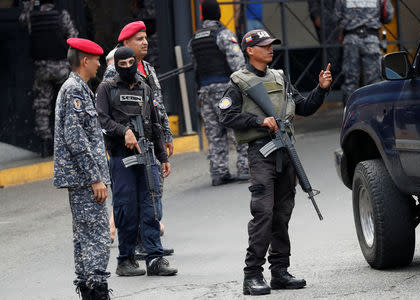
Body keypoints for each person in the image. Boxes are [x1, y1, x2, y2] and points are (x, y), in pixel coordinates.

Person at [219, 29, 333, 296]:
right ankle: (252, 275)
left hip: (285, 152)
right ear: (250, 50)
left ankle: (279, 272)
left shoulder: (279, 77)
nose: (271, 49)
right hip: (261, 153)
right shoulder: (238, 82)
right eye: (264, 45)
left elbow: (303, 107)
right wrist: (258, 121)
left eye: (272, 45)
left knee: (282, 214)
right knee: (263, 214)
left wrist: (322, 89)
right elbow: (226, 116)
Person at [96, 46, 178, 277]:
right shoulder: (106, 89)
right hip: (122, 158)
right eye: (122, 64)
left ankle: (155, 258)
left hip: (148, 155)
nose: (127, 67)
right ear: (115, 66)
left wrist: (162, 157)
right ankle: (126, 259)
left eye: (131, 62)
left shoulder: (145, 88)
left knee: (151, 206)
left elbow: (155, 124)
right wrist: (124, 132)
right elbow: (102, 120)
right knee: (126, 209)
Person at [53, 37, 110, 299]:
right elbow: (75, 137)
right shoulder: (74, 90)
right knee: (96, 236)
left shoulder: (77, 88)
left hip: (82, 178)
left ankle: (89, 290)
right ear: (85, 61)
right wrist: (94, 177)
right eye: (96, 59)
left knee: (84, 237)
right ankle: (96, 290)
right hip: (86, 179)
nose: (99, 64)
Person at [189, 0, 249, 186]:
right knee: (237, 128)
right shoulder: (223, 35)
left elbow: (195, 67)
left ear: (202, 16)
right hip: (225, 90)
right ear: (218, 14)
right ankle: (244, 167)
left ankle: (219, 172)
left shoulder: (194, 39)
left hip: (205, 92)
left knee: (214, 134)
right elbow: (237, 64)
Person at [19, 0, 79, 157]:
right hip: (61, 67)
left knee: (42, 106)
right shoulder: (61, 14)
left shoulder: (31, 15)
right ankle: (69, 141)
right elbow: (74, 37)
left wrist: (29, 5)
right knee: (67, 104)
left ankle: (46, 145)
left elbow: (22, 21)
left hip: (42, 68)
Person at [335, 0, 394, 104]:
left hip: (351, 39)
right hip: (371, 39)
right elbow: (388, 15)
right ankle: (375, 113)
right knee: (374, 81)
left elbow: (337, 15)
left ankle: (350, 113)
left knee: (350, 82)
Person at [307, 0, 341, 75]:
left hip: (341, 18)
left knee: (338, 53)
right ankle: (330, 78)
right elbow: (313, 4)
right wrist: (316, 15)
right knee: (331, 53)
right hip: (327, 19)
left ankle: (333, 77)